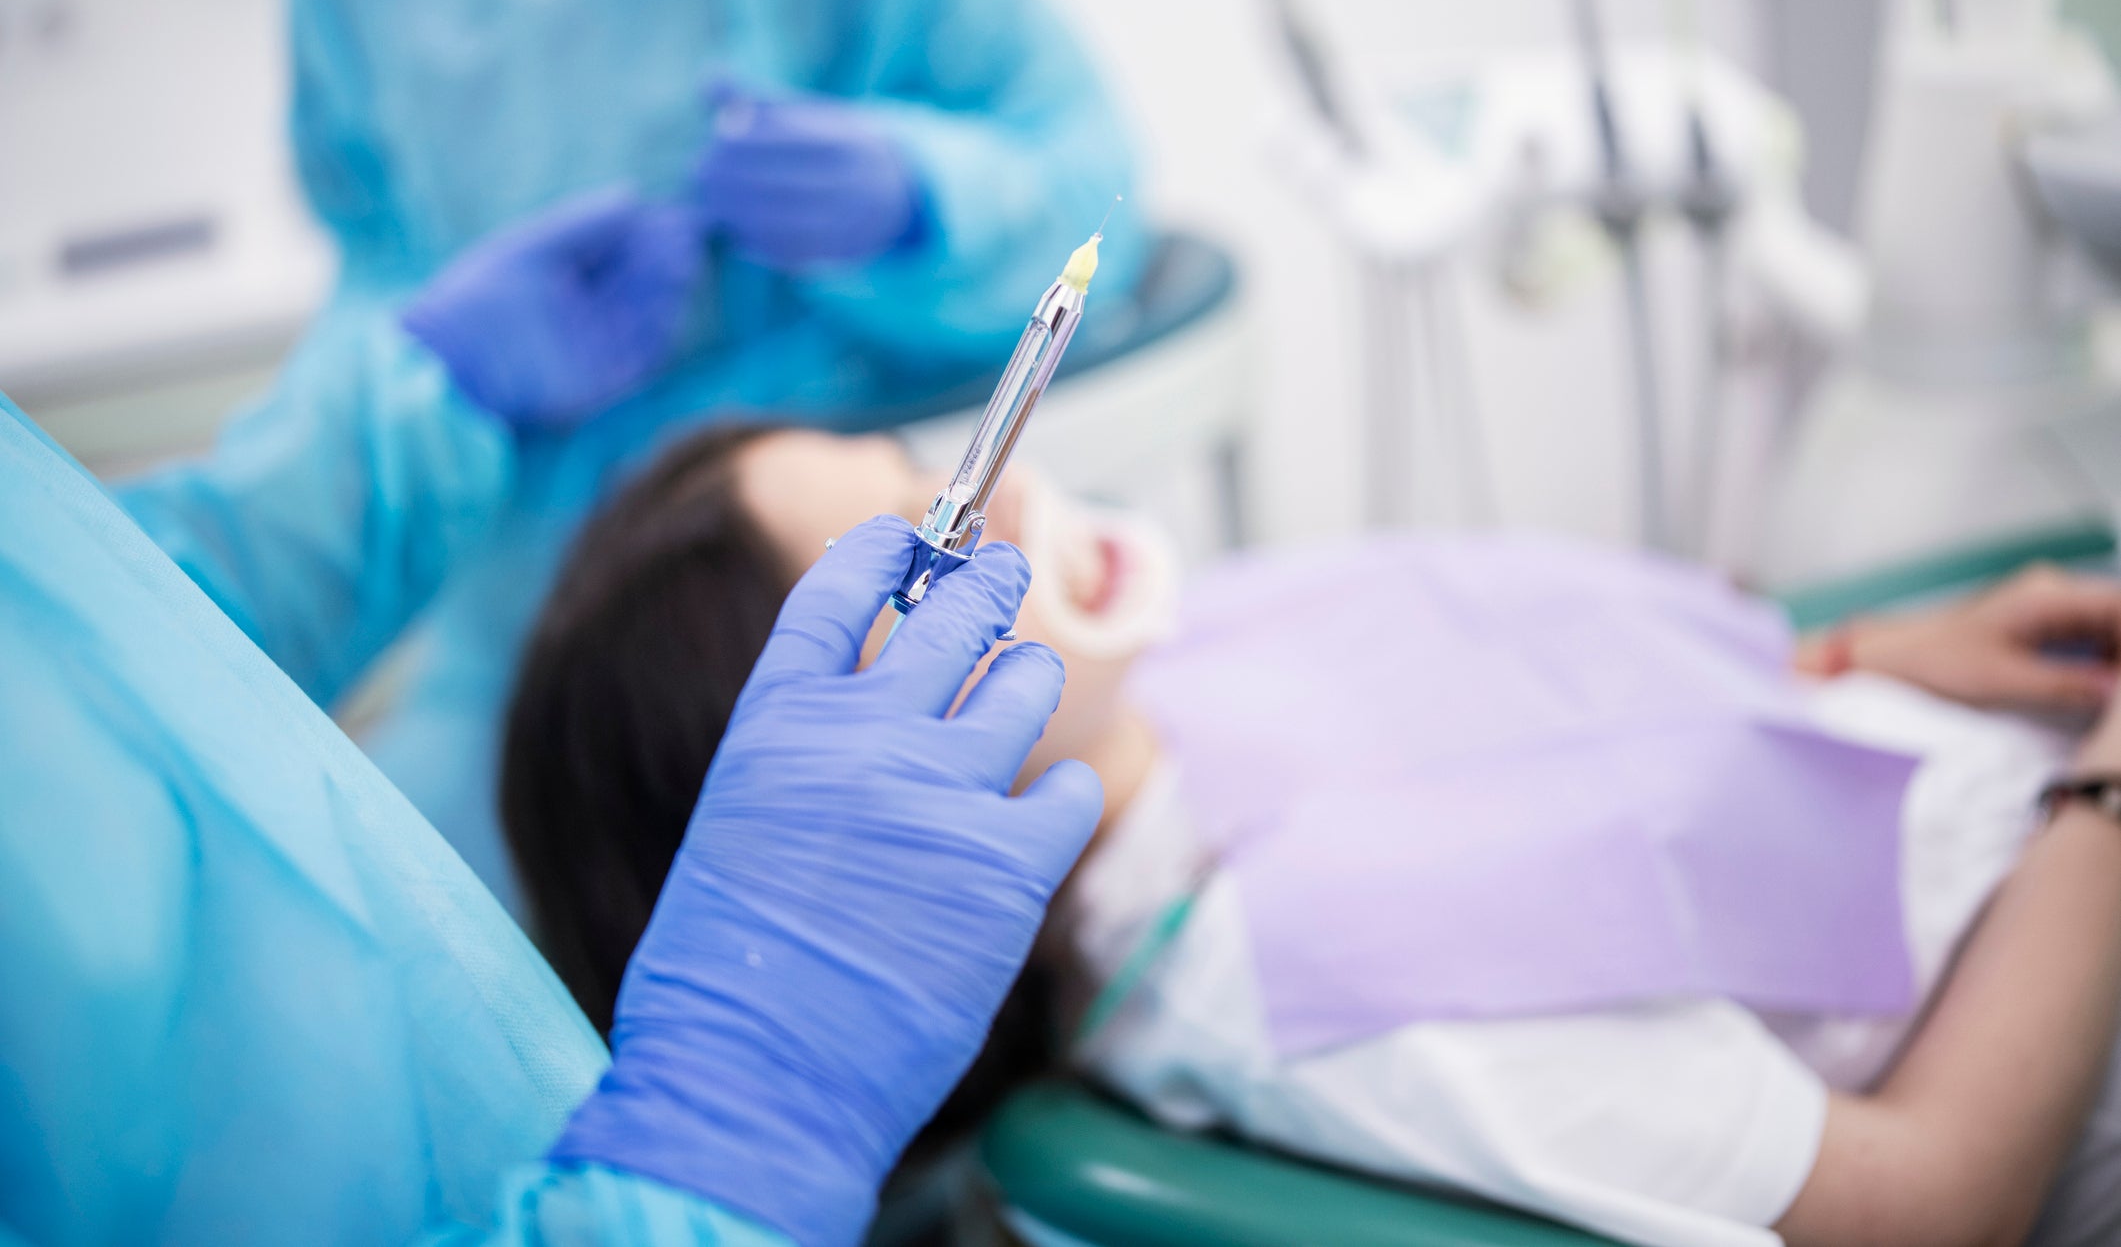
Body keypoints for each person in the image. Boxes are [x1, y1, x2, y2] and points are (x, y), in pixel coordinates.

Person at [501, 422, 2121, 1247]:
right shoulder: (1312, 976)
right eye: (927, 555)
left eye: (949, 460)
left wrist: (1844, 657)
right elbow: (1936, 1201)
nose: (1007, 500)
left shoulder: (1190, 663)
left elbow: (1586, 716)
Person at [283, 0, 1145, 907]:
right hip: (498, 635)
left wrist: (917, 198)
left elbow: (1084, 173)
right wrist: (435, 359)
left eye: (909, 495)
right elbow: (369, 273)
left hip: (779, 636)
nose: (1011, 496)